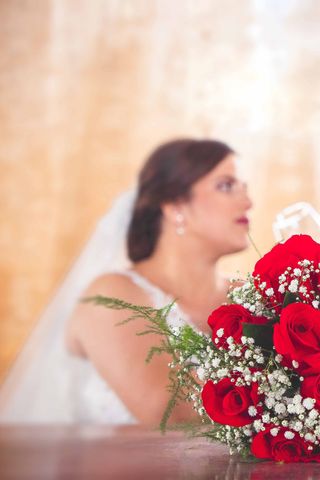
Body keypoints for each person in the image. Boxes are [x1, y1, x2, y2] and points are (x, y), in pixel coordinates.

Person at [0, 139, 252, 424]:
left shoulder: (254, 298)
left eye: (245, 188)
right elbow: (173, 417)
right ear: (173, 206)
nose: (248, 202)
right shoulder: (111, 297)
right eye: (226, 186)